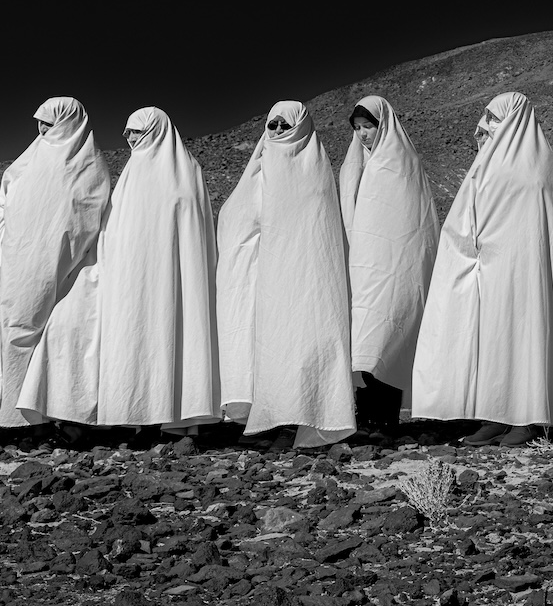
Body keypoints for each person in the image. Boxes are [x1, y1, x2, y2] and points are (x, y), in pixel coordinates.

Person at [20, 108, 219, 440]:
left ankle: (166, 421)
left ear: (157, 130)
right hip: (123, 277)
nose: (128, 138)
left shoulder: (187, 173)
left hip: (170, 283)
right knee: (69, 325)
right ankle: (88, 416)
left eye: (136, 131)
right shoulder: (129, 174)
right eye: (127, 132)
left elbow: (192, 237)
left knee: (165, 339)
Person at [412, 93, 553, 447]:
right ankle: (494, 415)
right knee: (493, 341)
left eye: (495, 117)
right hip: (490, 268)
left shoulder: (538, 161)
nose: (489, 124)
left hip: (526, 269)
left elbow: (536, 218)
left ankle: (529, 417)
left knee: (525, 337)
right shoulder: (488, 160)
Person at [218, 101, 355, 449]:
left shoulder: (315, 172)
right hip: (265, 279)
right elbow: (237, 218)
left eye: (285, 125)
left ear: (302, 127)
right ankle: (271, 418)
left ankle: (299, 421)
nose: (278, 131)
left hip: (305, 280)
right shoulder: (259, 169)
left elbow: (319, 230)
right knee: (269, 348)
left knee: (300, 344)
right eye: (273, 125)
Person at [0, 98, 110, 432]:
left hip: (67, 263)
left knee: (50, 332)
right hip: (18, 258)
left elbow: (89, 213)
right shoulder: (27, 162)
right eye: (40, 122)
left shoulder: (90, 167)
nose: (42, 129)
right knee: (13, 327)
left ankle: (42, 416)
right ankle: (13, 416)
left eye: (50, 123)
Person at [339, 96, 440, 438]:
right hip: (363, 268)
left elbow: (415, 221)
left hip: (396, 268)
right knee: (364, 340)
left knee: (389, 336)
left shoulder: (402, 162)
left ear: (383, 125)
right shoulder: (354, 165)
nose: (363, 134)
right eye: (357, 128)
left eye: (369, 126)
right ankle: (365, 418)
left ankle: (386, 420)